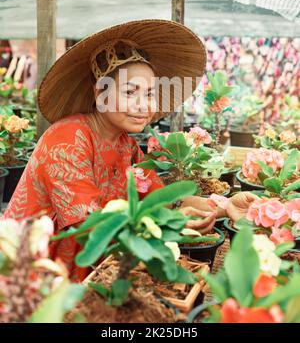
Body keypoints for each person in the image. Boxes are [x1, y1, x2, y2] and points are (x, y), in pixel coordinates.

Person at [3, 20, 256, 281]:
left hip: (88, 272)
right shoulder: (67, 137)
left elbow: (164, 202)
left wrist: (226, 207)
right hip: (30, 275)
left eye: (149, 94)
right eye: (129, 92)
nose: (143, 105)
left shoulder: (127, 146)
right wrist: (168, 224)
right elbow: (90, 225)